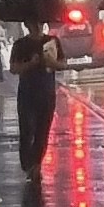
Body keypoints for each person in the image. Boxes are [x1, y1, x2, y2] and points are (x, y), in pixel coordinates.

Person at [12, 11, 61, 176]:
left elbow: (62, 64)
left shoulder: (52, 42)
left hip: (47, 92)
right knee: (27, 130)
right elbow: (13, 68)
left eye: (40, 23)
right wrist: (30, 64)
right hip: (27, 93)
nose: (37, 27)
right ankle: (27, 163)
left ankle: (37, 164)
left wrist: (52, 62)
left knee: (42, 131)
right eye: (33, 24)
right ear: (27, 25)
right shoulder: (20, 45)